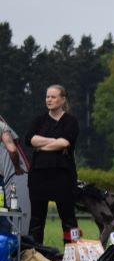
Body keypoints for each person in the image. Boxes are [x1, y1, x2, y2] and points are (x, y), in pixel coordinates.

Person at [26, 85, 80, 245]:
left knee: (68, 218)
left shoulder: (71, 121)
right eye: (47, 97)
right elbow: (30, 139)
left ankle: (73, 254)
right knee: (36, 219)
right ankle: (35, 255)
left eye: (53, 97)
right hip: (39, 175)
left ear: (63, 99)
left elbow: (65, 142)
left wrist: (41, 145)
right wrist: (54, 141)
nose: (49, 100)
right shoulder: (38, 120)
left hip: (63, 176)